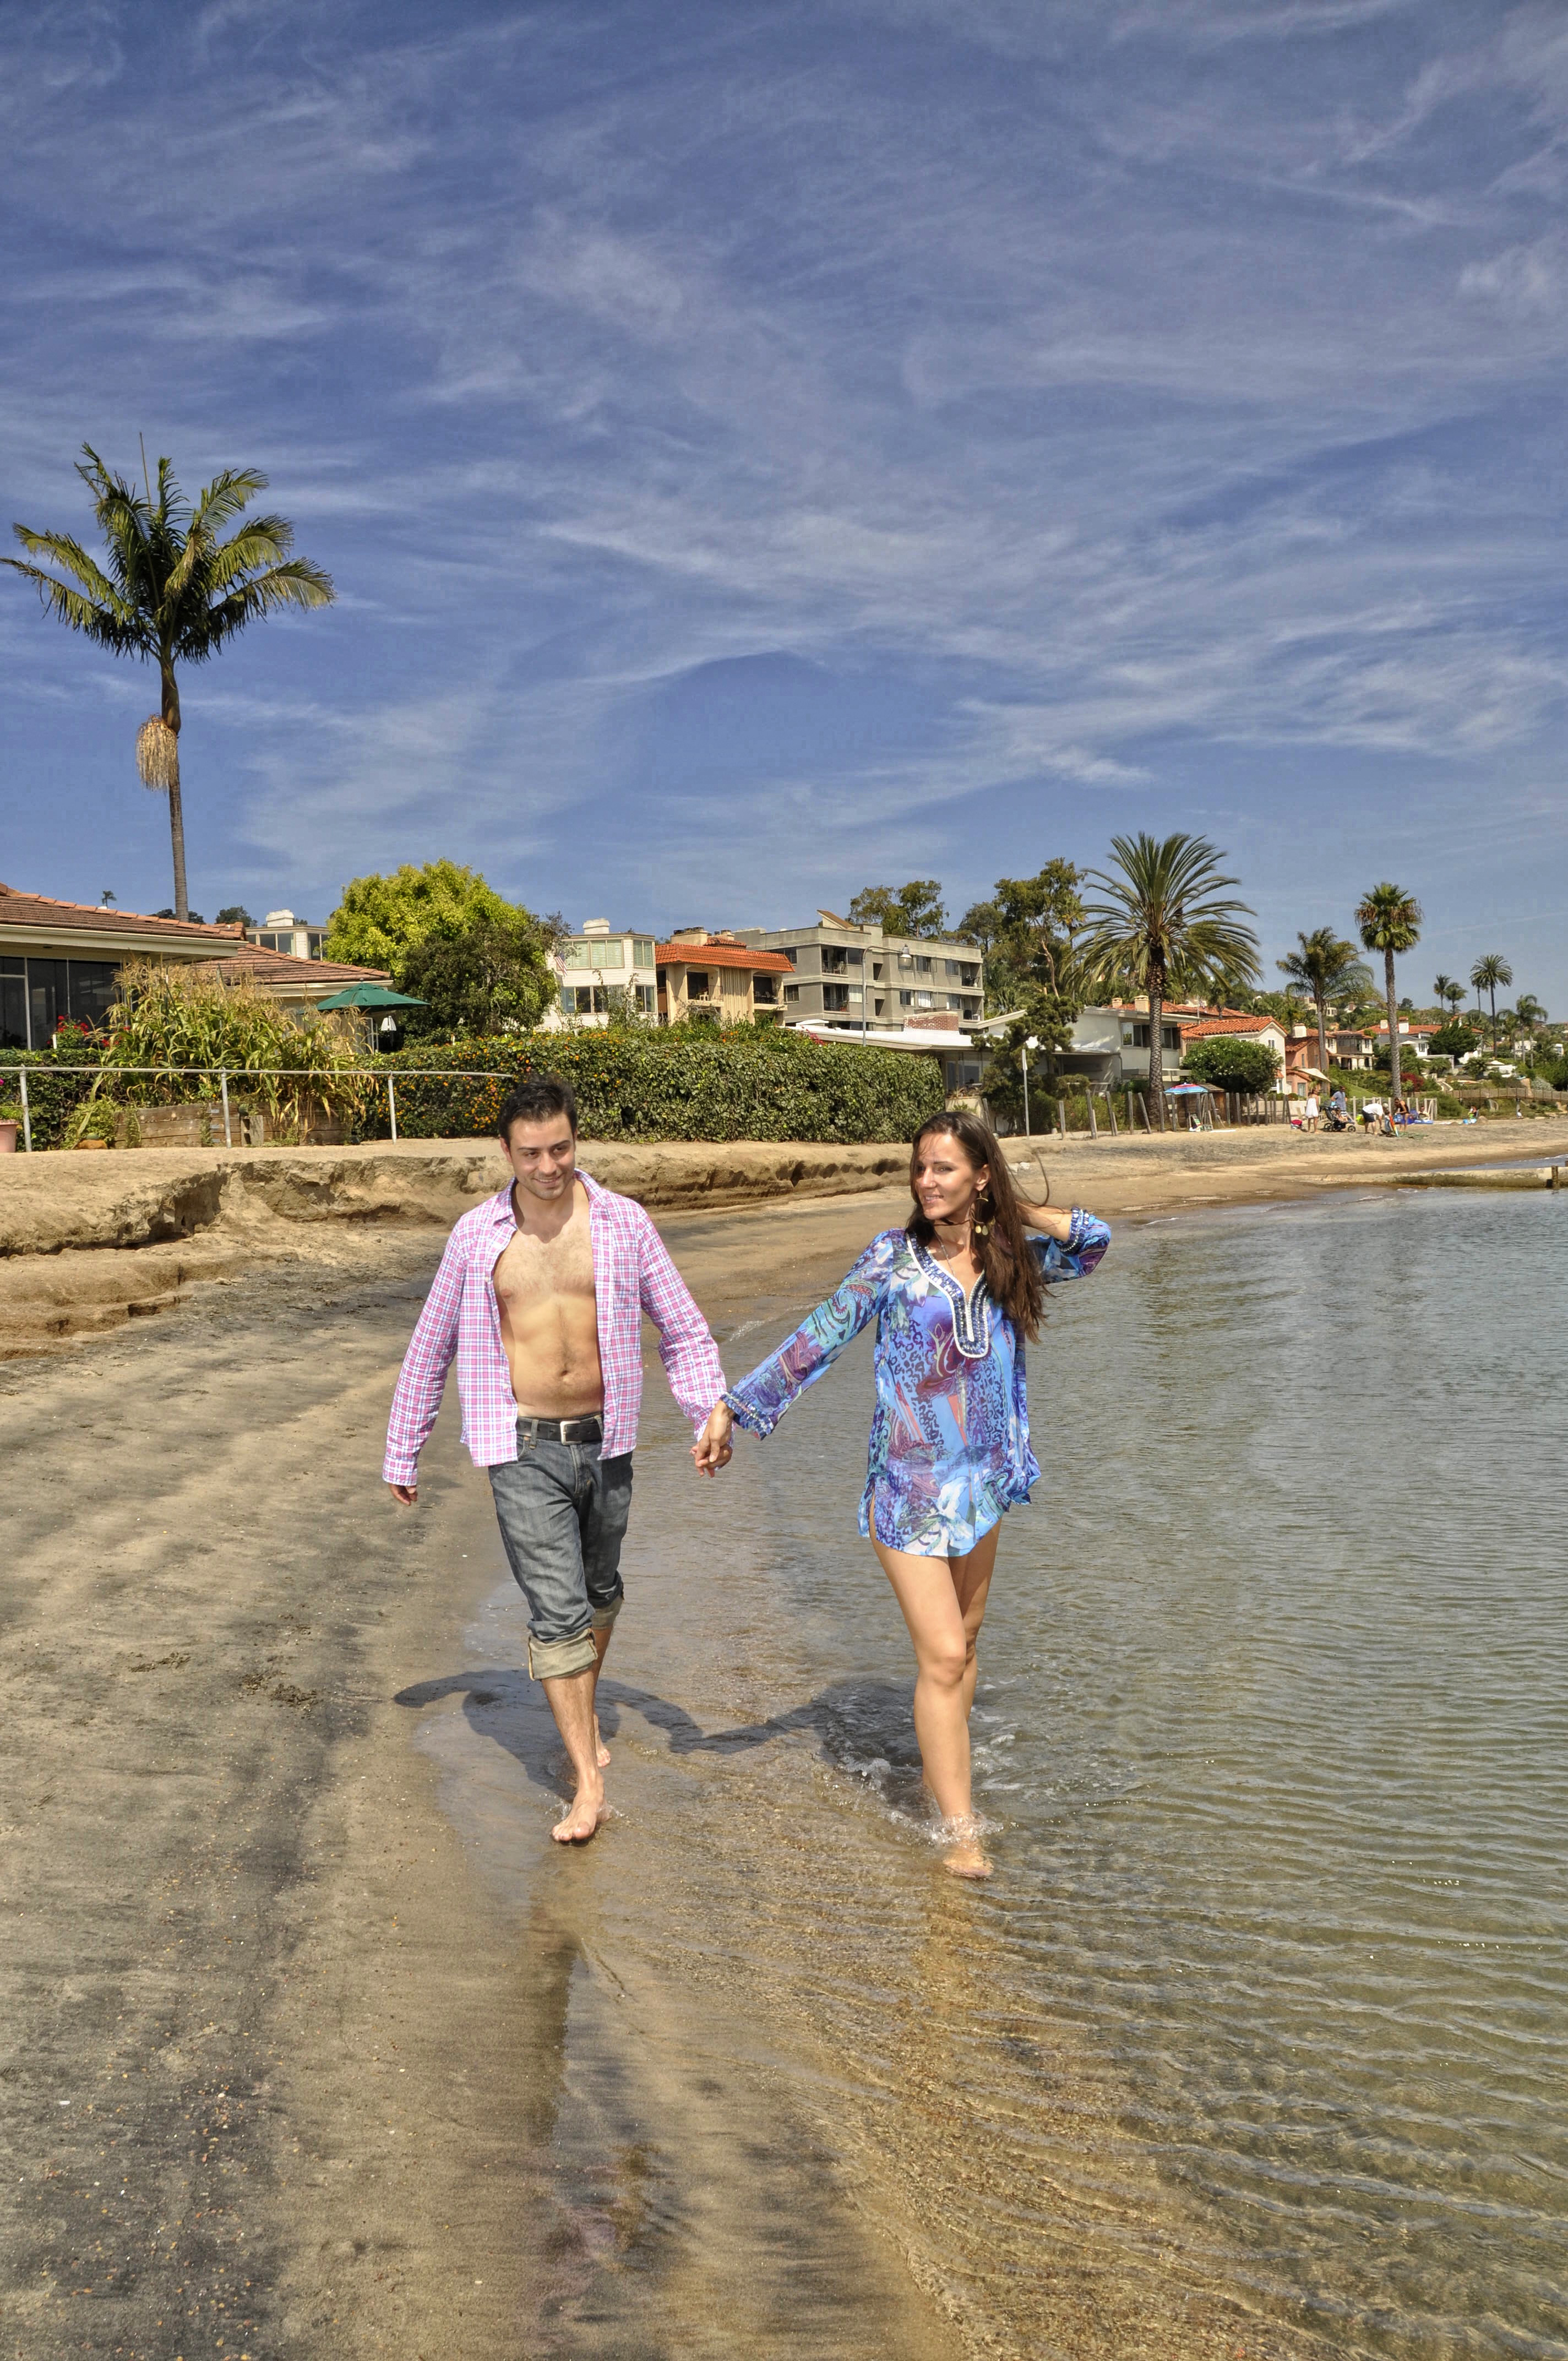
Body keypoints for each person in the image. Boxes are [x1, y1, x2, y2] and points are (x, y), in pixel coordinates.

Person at [696, 1112, 1109, 1881]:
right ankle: (960, 1833)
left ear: (980, 1176)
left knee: (966, 1646)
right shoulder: (892, 1259)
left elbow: (1093, 1242)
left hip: (984, 1481)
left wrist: (1010, 1210)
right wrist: (734, 1408)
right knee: (944, 1653)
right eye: (921, 1168)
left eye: (945, 1169)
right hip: (909, 1489)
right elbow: (817, 1338)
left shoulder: (1010, 1259)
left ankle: (937, 1774)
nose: (926, 1181)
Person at [383, 1073, 730, 1845]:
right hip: (521, 1446)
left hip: (610, 1440)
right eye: (532, 1154)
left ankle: (581, 1709)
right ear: (506, 1153)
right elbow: (431, 1346)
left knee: (600, 1592)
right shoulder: (475, 1237)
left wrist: (708, 1409)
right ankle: (587, 1783)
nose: (549, 1167)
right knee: (558, 1612)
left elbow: (682, 1328)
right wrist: (404, 1448)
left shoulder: (624, 1224)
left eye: (561, 1149)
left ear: (577, 1140)